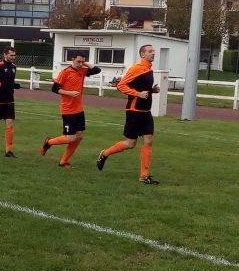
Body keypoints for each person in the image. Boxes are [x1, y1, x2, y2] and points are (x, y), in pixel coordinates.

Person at [96, 44, 161, 184]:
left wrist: (152, 90)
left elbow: (142, 87)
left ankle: (144, 176)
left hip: (146, 112)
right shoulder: (136, 68)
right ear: (142, 54)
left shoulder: (149, 69)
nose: (153, 53)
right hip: (134, 111)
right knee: (130, 143)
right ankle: (105, 153)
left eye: (153, 51)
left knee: (148, 141)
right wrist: (137, 94)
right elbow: (120, 85)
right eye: (150, 51)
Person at [40, 51, 101, 168]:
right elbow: (54, 88)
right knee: (70, 138)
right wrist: (69, 93)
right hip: (68, 110)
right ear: (72, 59)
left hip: (79, 109)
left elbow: (97, 70)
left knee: (79, 136)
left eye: (82, 62)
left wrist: (84, 63)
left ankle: (63, 161)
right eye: (78, 61)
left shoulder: (83, 70)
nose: (80, 64)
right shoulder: (65, 72)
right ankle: (49, 142)